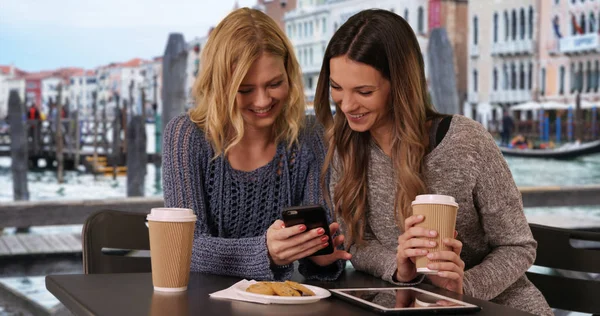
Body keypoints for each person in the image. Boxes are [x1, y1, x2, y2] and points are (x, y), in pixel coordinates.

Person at [313, 9, 552, 315]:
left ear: (399, 84)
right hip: (408, 304)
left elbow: (518, 247)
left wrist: (462, 286)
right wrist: (401, 269)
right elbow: (357, 244)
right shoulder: (346, 146)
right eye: (336, 88)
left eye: (364, 91)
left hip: (498, 306)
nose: (346, 105)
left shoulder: (466, 141)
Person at [162, 8, 350, 281]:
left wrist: (320, 256)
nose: (262, 101)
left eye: (274, 84)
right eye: (245, 90)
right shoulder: (186, 136)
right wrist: (265, 251)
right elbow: (183, 247)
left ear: (289, 74)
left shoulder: (310, 136)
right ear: (219, 85)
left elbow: (322, 251)